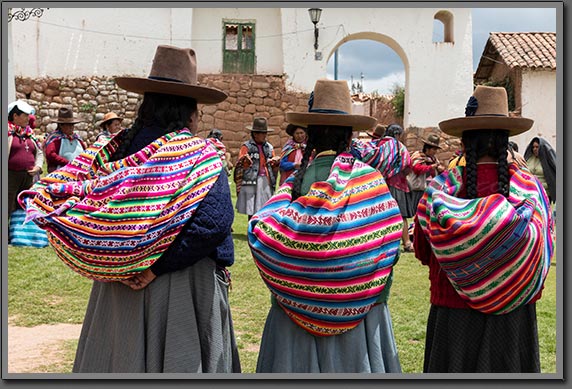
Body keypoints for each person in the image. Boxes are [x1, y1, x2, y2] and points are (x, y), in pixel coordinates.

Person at [19, 45, 241, 373]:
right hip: (180, 288)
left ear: (146, 103)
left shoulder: (112, 149)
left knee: (120, 360)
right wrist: (156, 266)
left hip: (115, 289)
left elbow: (75, 197)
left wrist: (122, 258)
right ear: (190, 112)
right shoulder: (198, 154)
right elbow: (213, 222)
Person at [248, 79, 405, 373]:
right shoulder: (369, 181)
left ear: (309, 136)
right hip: (362, 324)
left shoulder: (294, 184)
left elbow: (264, 237)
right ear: (350, 137)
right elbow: (391, 247)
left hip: (289, 323)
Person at [414, 85, 554, 373]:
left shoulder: (439, 192)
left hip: (453, 315)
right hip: (513, 317)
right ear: (507, 142)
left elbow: (422, 250)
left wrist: (464, 261)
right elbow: (542, 256)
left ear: (465, 142)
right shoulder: (531, 192)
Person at [377, 124, 413, 252]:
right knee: (401, 215)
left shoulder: (379, 145)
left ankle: (381, 243)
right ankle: (407, 243)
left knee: (382, 215)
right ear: (397, 134)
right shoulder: (399, 147)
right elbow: (408, 164)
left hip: (380, 184)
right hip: (397, 184)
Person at [235, 117, 280, 220]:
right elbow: (241, 162)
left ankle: (260, 229)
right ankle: (251, 228)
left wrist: (275, 161)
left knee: (264, 205)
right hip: (251, 179)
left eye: (265, 133)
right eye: (262, 133)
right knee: (251, 206)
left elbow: (273, 162)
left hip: (265, 180)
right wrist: (245, 160)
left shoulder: (269, 147)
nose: (264, 136)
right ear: (255, 134)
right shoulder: (247, 146)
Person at [8, 100, 43, 217]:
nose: (29, 118)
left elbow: (39, 152)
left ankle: (19, 233)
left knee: (24, 207)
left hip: (28, 177)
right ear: (15, 116)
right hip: (10, 177)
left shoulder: (29, 133)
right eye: (25, 115)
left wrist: (37, 166)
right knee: (7, 207)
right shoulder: (8, 133)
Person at [407, 133, 445, 211]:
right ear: (427, 148)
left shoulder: (433, 159)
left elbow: (434, 173)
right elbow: (417, 169)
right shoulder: (418, 156)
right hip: (416, 189)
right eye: (434, 149)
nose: (435, 152)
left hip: (426, 190)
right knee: (415, 210)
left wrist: (440, 170)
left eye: (436, 149)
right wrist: (431, 167)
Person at [44, 107, 87, 173]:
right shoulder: (55, 139)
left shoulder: (77, 139)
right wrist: (67, 163)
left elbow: (85, 153)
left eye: (72, 125)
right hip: (60, 173)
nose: (71, 127)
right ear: (61, 125)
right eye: (69, 125)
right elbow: (50, 154)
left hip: (78, 173)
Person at [524, 136, 556, 204]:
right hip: (530, 192)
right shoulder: (529, 159)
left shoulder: (548, 159)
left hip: (545, 193)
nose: (535, 149)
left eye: (537, 147)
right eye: (533, 147)